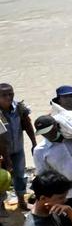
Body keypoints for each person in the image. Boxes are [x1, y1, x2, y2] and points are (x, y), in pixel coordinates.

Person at [0, 83, 35, 211]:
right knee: (1, 178)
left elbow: (28, 125)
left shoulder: (19, 108)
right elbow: (1, 139)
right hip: (1, 152)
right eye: (4, 95)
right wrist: (7, 160)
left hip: (17, 149)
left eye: (11, 94)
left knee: (20, 175)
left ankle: (21, 201)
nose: (8, 97)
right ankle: (1, 206)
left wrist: (34, 143)